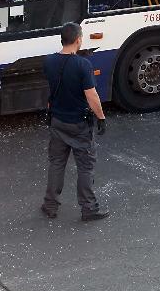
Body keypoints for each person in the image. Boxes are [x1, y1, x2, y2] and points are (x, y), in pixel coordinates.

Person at [41, 22, 109, 222]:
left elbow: (52, 90)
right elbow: (92, 96)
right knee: (85, 167)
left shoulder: (49, 62)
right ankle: (88, 208)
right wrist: (101, 118)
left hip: (57, 120)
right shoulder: (82, 65)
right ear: (78, 40)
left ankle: (50, 205)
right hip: (79, 124)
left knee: (56, 163)